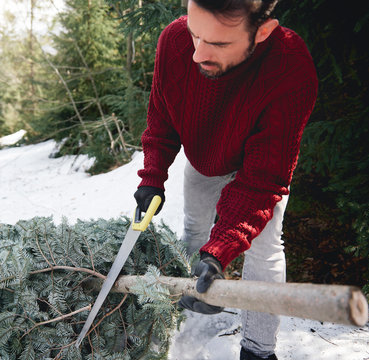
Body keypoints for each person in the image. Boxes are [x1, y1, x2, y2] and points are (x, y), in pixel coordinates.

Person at [133, 0, 318, 359]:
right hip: (204, 157)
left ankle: (258, 350)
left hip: (260, 168)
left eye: (217, 44)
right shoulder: (174, 40)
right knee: (194, 229)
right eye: (195, 34)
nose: (197, 54)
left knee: (265, 249)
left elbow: (263, 182)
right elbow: (161, 114)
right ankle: (188, 312)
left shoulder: (290, 65)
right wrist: (153, 176)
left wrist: (222, 251)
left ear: (262, 32)